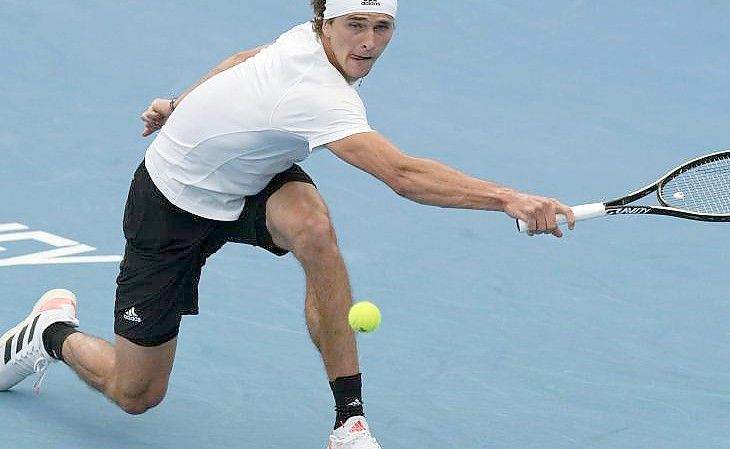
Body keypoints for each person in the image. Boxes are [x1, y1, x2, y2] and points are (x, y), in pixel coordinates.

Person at [0, 0, 575, 447]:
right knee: (135, 393)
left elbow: (242, 62)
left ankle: (348, 421)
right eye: (356, 25)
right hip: (171, 205)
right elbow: (402, 174)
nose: (369, 43)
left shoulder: (307, 41)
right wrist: (507, 199)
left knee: (314, 229)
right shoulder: (318, 94)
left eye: (382, 27)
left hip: (251, 183)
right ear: (325, 21)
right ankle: (50, 332)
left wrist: (180, 104)